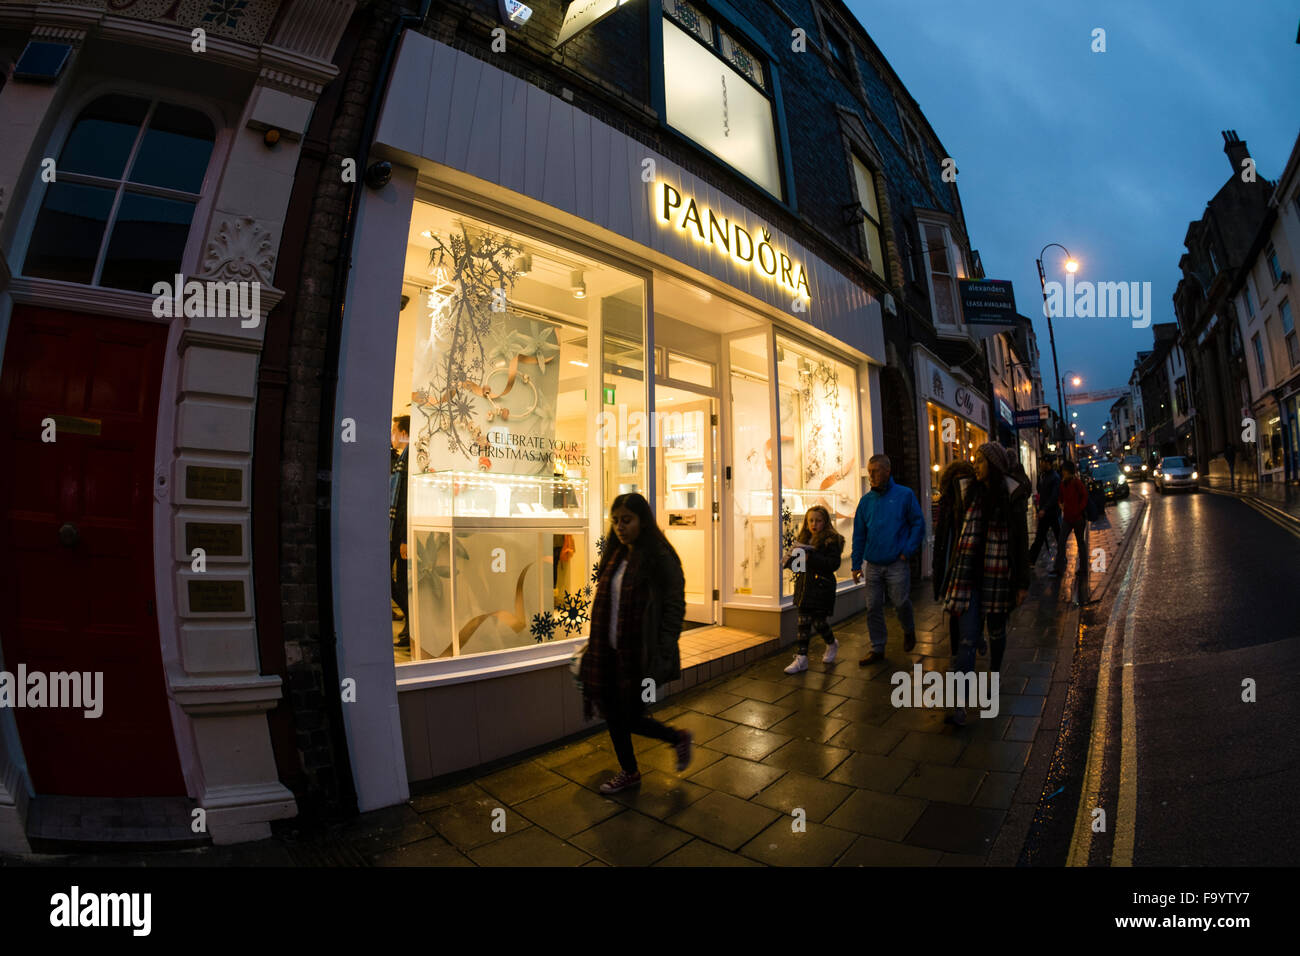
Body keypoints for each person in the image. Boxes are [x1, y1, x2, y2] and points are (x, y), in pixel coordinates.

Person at [579, 493, 692, 795]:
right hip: (610, 652)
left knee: (626, 716)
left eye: (626, 520)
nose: (619, 526)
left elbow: (674, 605)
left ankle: (671, 742)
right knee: (617, 714)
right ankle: (635, 768)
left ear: (643, 521)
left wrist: (665, 646)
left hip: (641, 654)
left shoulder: (659, 558)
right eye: (615, 520)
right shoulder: (615, 555)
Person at [942, 442, 1030, 724]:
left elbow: (1020, 541)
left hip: (998, 574)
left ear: (992, 465)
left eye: (979, 461)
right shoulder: (968, 491)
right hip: (968, 576)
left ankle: (994, 672)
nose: (974, 464)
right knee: (966, 640)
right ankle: (959, 704)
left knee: (996, 633)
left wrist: (1021, 583)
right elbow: (955, 530)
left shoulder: (1011, 495)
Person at [850, 453, 925, 665]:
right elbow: (859, 534)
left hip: (896, 563)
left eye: (875, 471)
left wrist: (906, 551)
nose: (871, 475)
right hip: (873, 564)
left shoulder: (904, 495)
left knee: (901, 602)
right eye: (869, 471)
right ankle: (877, 648)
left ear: (887, 471)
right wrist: (856, 564)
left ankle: (909, 629)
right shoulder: (866, 502)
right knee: (873, 607)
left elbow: (918, 524)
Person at [781, 505, 845, 674]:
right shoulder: (804, 538)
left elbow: (832, 564)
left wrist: (812, 556)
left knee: (819, 622)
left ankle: (831, 643)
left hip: (822, 587)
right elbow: (800, 568)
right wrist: (789, 560)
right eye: (810, 520)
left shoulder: (832, 540)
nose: (814, 524)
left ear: (825, 522)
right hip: (804, 586)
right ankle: (801, 658)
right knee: (803, 622)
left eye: (818, 520)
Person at [931, 459, 977, 658]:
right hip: (953, 560)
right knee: (956, 610)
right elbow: (942, 535)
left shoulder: (973, 499)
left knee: (963, 609)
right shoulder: (949, 501)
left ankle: (963, 648)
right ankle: (957, 651)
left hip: (964, 560)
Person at [1051, 459, 1091, 606]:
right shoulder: (1063, 484)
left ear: (1069, 471)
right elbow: (1060, 498)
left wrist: (1079, 510)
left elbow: (1084, 496)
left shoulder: (1076, 483)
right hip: (1067, 518)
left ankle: (1083, 568)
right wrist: (1061, 504)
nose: (1062, 473)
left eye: (1064, 471)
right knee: (1061, 541)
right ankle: (1059, 567)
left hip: (1078, 519)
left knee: (1080, 542)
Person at [390, 416, 410, 649]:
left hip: (400, 531)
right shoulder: (400, 459)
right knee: (400, 580)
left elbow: (405, 499)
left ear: (404, 432)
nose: (393, 435)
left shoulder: (409, 458)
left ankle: (411, 625)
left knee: (402, 580)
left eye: (395, 430)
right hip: (395, 529)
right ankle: (410, 624)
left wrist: (404, 538)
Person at [1028, 456, 1062, 564]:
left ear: (1047, 463)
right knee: (1041, 537)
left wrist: (1044, 509)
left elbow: (1054, 496)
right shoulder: (1043, 476)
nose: (1040, 464)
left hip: (1051, 513)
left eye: (1042, 462)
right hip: (1046, 512)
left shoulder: (1054, 477)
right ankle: (1031, 560)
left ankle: (1062, 557)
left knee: (1057, 536)